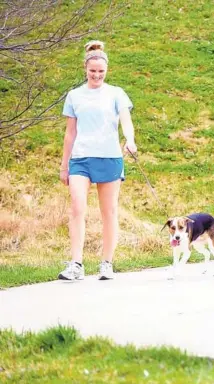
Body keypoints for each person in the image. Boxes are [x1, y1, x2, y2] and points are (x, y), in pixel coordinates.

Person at [58, 40, 136, 281]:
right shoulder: (74, 95)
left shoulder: (116, 93)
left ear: (107, 70)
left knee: (109, 212)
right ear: (85, 68)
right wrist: (64, 165)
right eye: (92, 71)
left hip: (110, 157)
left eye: (101, 72)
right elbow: (70, 133)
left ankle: (106, 263)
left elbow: (125, 120)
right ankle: (76, 265)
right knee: (77, 209)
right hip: (81, 159)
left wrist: (130, 140)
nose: (97, 75)